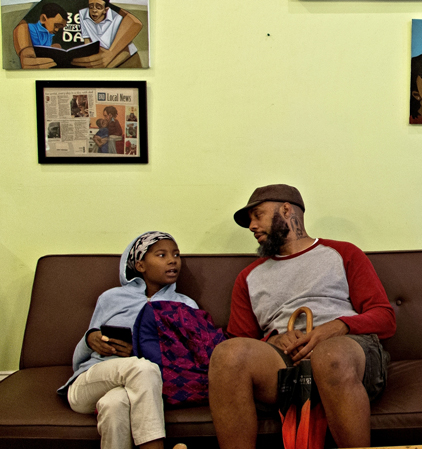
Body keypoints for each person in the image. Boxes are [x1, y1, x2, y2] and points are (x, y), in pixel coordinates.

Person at [209, 185, 396, 449]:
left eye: (257, 215)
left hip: (346, 351)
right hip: (284, 363)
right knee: (227, 355)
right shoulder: (248, 277)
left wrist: (336, 327)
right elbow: (242, 341)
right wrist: (273, 342)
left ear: (286, 209)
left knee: (330, 356)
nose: (251, 226)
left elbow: (385, 317)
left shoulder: (343, 253)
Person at [58, 231, 196, 449]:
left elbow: (189, 360)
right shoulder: (111, 298)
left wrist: (137, 351)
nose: (172, 260)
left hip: (136, 388)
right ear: (140, 265)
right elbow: (78, 360)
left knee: (115, 405)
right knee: (142, 368)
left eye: (176, 255)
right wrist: (90, 339)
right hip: (90, 383)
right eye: (161, 255)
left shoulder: (186, 306)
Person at [11, 0, 88, 69]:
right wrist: (25, 52)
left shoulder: (92, 1)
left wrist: (111, 53)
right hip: (53, 62)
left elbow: (121, 15)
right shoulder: (51, 0)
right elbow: (22, 25)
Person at [76, 0, 144, 68]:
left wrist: (107, 67)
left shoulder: (117, 19)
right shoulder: (83, 14)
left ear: (106, 9)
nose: (94, 10)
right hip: (102, 57)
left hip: (125, 58)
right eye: (91, 6)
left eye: (98, 7)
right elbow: (87, 42)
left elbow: (126, 50)